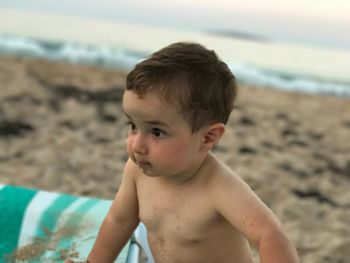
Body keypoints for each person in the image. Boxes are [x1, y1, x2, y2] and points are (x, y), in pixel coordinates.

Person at [65, 42, 299, 263]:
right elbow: (119, 220)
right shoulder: (137, 170)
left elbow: (270, 234)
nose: (137, 145)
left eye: (157, 132)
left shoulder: (218, 187)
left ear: (208, 137)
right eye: (134, 126)